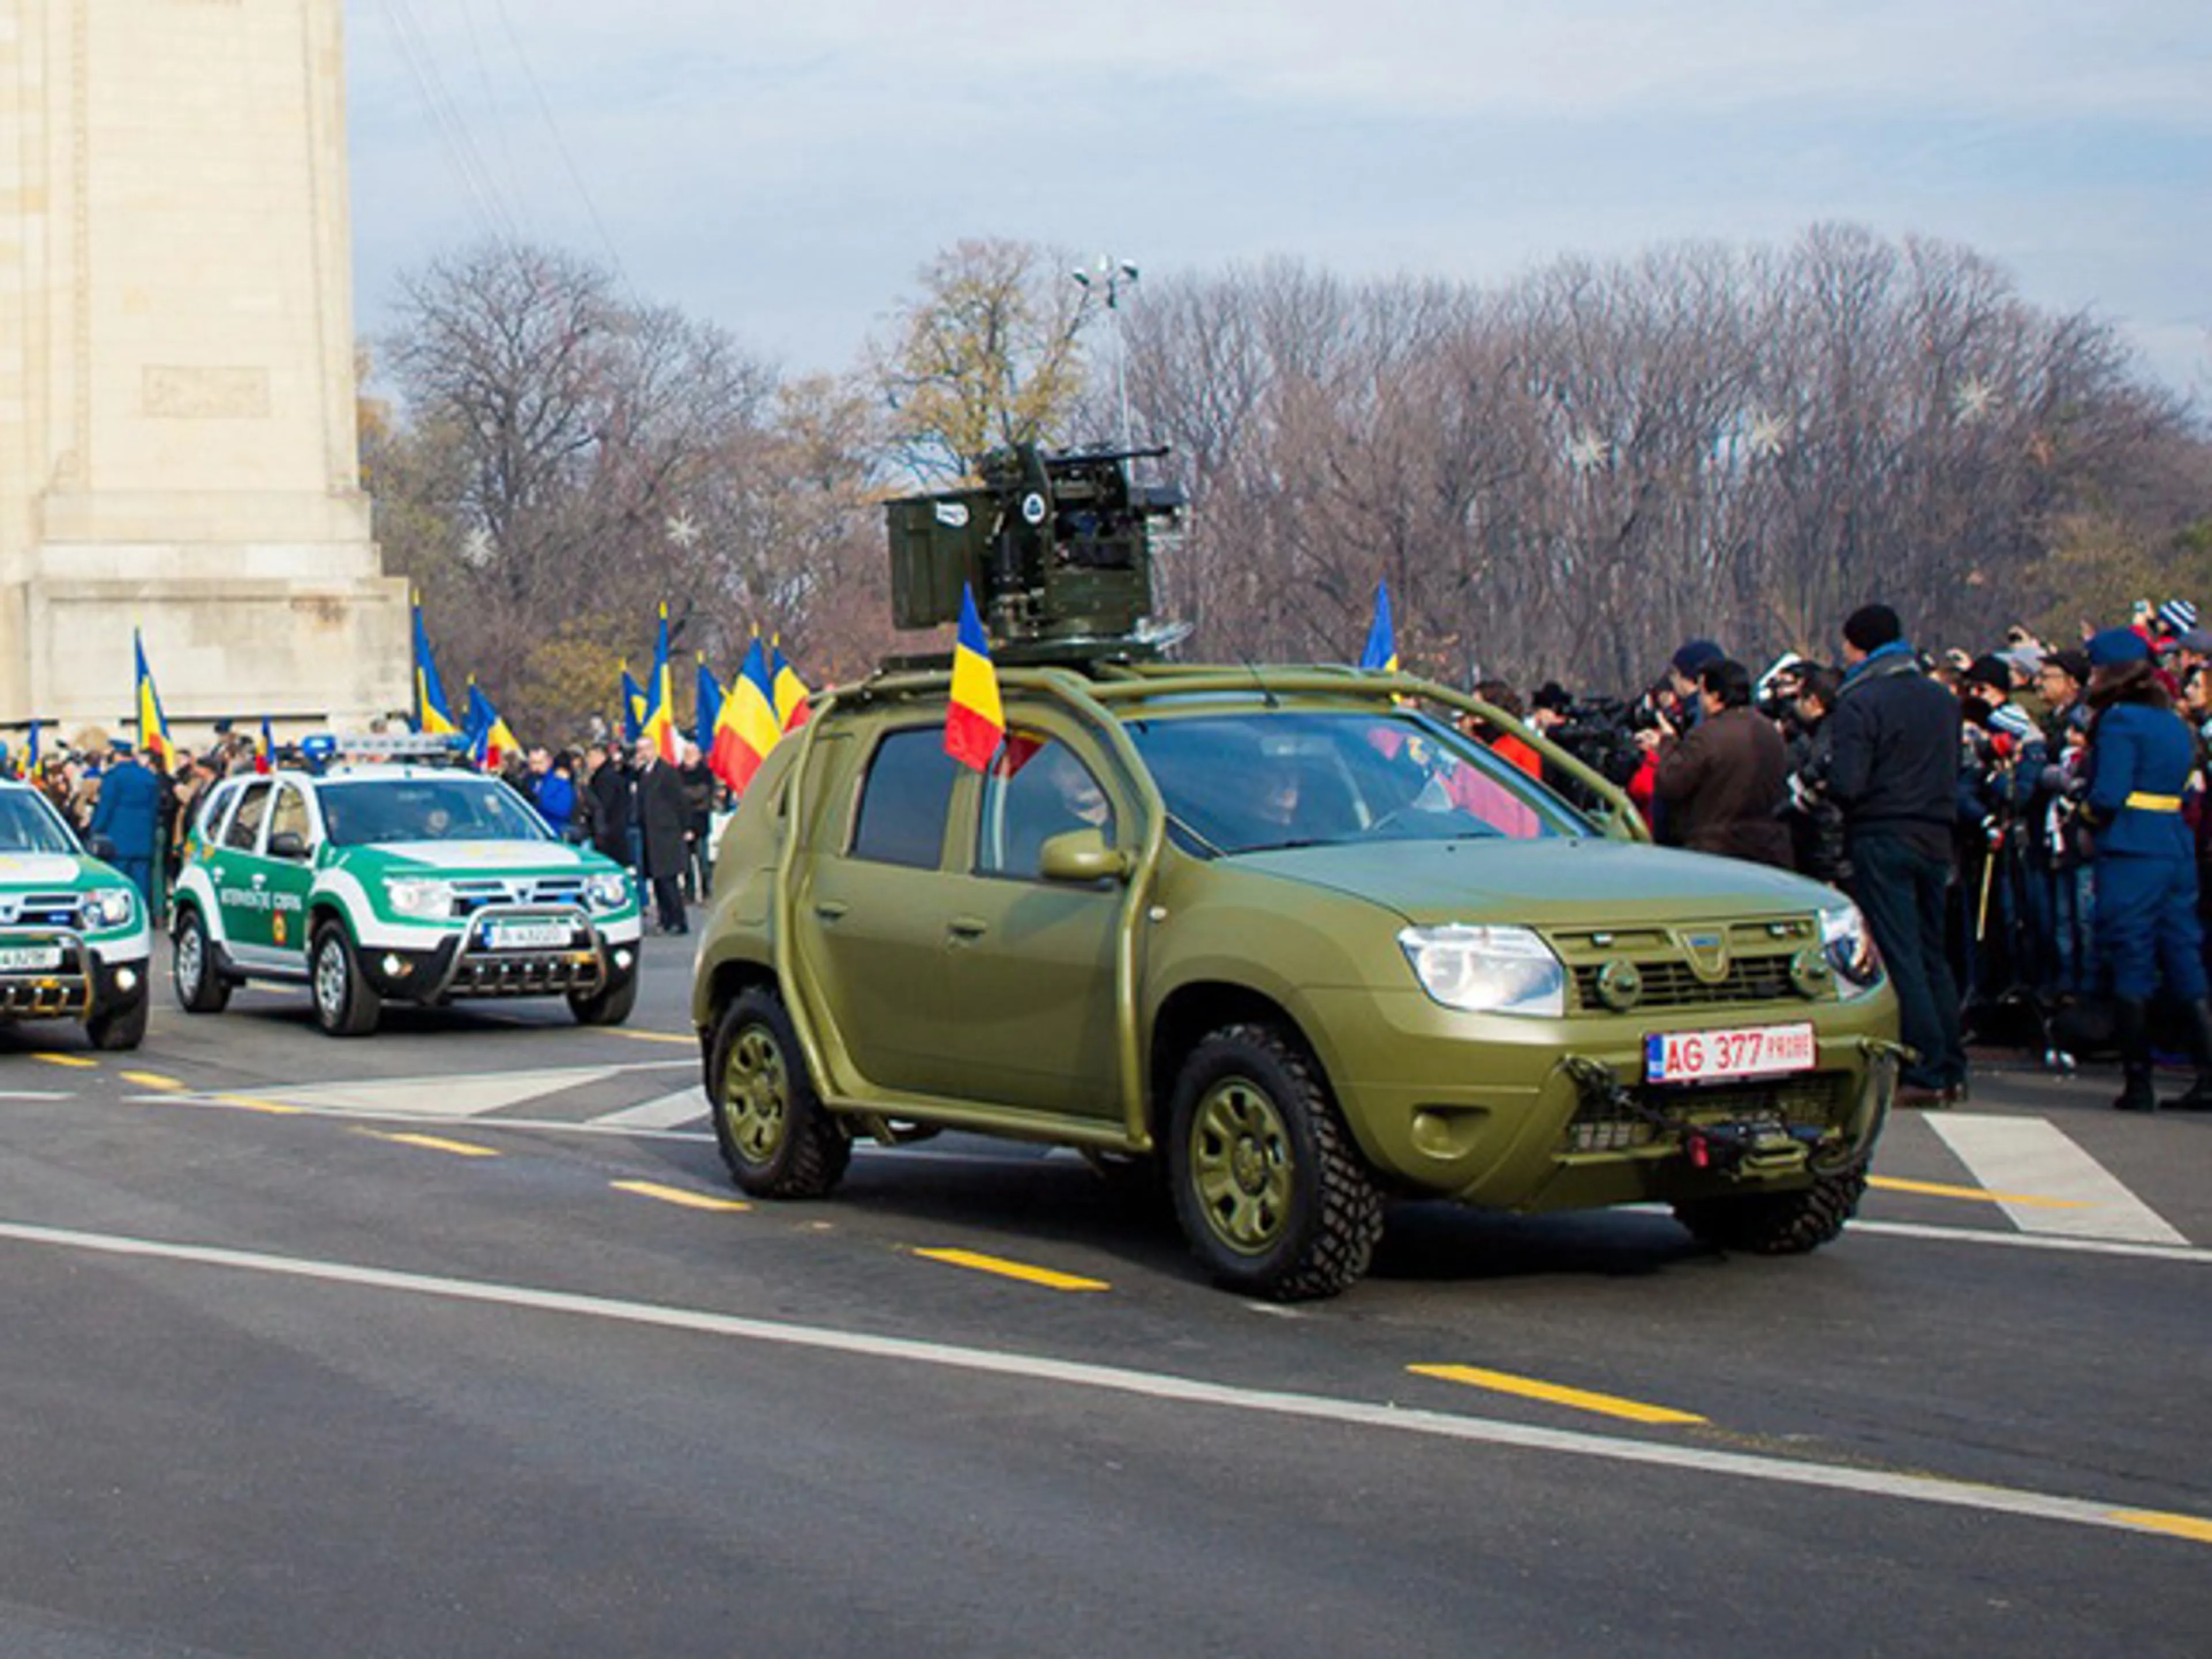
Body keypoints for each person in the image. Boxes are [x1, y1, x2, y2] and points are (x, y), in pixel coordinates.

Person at [1824, 604, 1968, 1105]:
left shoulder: (1860, 700)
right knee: (1933, 953)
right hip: (1937, 831)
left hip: (1883, 830)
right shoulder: (1941, 699)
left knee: (1900, 952)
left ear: (1857, 645)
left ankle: (1923, 1066)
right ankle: (1951, 1063)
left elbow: (1848, 782)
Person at [2080, 627, 2212, 1112]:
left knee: (2131, 956)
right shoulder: (2172, 722)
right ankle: (2207, 1073)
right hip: (2173, 844)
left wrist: (2085, 816)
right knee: (2182, 953)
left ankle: (2138, 1082)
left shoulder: (2120, 721)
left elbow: (2109, 794)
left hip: (2132, 847)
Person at [1647, 658, 1793, 868]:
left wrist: (1667, 743)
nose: (1699, 700)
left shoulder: (1707, 736)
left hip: (1716, 848)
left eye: (1702, 693)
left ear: (1716, 697)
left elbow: (1671, 782)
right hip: (1767, 847)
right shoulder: (1769, 731)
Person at [86, 739, 161, 914]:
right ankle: (142, 915)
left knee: (119, 886)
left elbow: (106, 807)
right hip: (143, 839)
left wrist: (94, 829)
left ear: (116, 755)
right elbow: (155, 808)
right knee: (141, 884)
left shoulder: (114, 777)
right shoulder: (148, 776)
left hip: (117, 840)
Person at [632, 738, 691, 935]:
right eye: (640, 750)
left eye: (646, 749)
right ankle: (665, 919)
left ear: (654, 749)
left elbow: (680, 801)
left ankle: (678, 921)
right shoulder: (642, 774)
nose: (643, 753)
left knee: (668, 881)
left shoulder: (667, 773)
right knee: (657, 881)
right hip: (650, 834)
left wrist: (686, 827)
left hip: (666, 834)